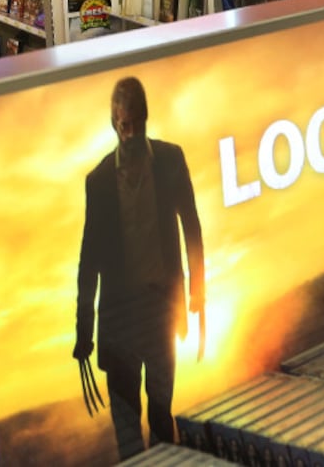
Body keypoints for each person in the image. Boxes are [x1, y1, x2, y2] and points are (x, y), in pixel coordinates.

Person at [74, 77, 204, 459]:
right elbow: (89, 261)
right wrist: (84, 332)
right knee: (128, 437)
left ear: (145, 120)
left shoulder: (170, 160)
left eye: (135, 124)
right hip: (117, 322)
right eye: (123, 125)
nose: (129, 132)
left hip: (161, 311)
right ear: (114, 124)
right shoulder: (97, 182)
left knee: (162, 417)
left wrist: (198, 294)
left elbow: (192, 227)